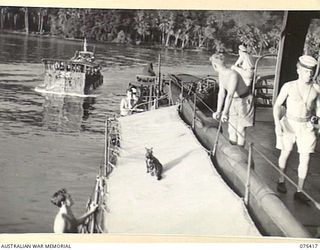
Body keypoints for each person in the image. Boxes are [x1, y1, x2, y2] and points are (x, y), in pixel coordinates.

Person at [273, 55, 320, 204]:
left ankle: (300, 190)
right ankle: (281, 180)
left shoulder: (316, 89)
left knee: (305, 158)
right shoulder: (289, 86)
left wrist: (317, 122)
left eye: (311, 72)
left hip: (306, 127)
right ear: (298, 70)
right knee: (285, 153)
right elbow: (277, 106)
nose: (309, 75)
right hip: (289, 124)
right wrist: (277, 125)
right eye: (306, 71)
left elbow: (318, 109)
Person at [210, 53, 254, 146]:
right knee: (231, 129)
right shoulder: (220, 74)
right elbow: (221, 93)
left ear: (214, 65)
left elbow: (229, 95)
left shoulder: (233, 74)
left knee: (240, 130)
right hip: (233, 101)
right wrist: (218, 111)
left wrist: (225, 113)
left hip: (244, 100)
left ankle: (241, 151)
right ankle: (234, 151)